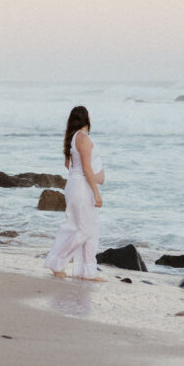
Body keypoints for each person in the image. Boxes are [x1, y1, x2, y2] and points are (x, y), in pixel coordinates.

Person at [43, 105, 106, 281]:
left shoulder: (73, 138)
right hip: (82, 188)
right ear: (88, 118)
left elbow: (69, 166)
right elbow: (86, 168)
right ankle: (57, 262)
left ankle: (88, 271)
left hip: (78, 185)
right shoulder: (82, 138)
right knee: (83, 229)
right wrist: (97, 192)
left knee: (91, 230)